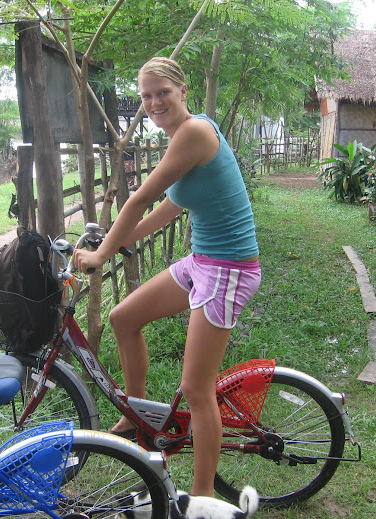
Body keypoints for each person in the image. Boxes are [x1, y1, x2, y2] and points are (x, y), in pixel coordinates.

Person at [72, 57, 261, 497]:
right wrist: (115, 243)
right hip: (203, 261)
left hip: (228, 268)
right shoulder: (182, 135)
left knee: (196, 389)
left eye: (163, 93)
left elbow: (139, 200)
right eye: (146, 96)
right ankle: (138, 416)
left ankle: (202, 498)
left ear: (182, 92)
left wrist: (102, 255)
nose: (155, 102)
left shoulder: (194, 132)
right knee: (123, 319)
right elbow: (171, 207)